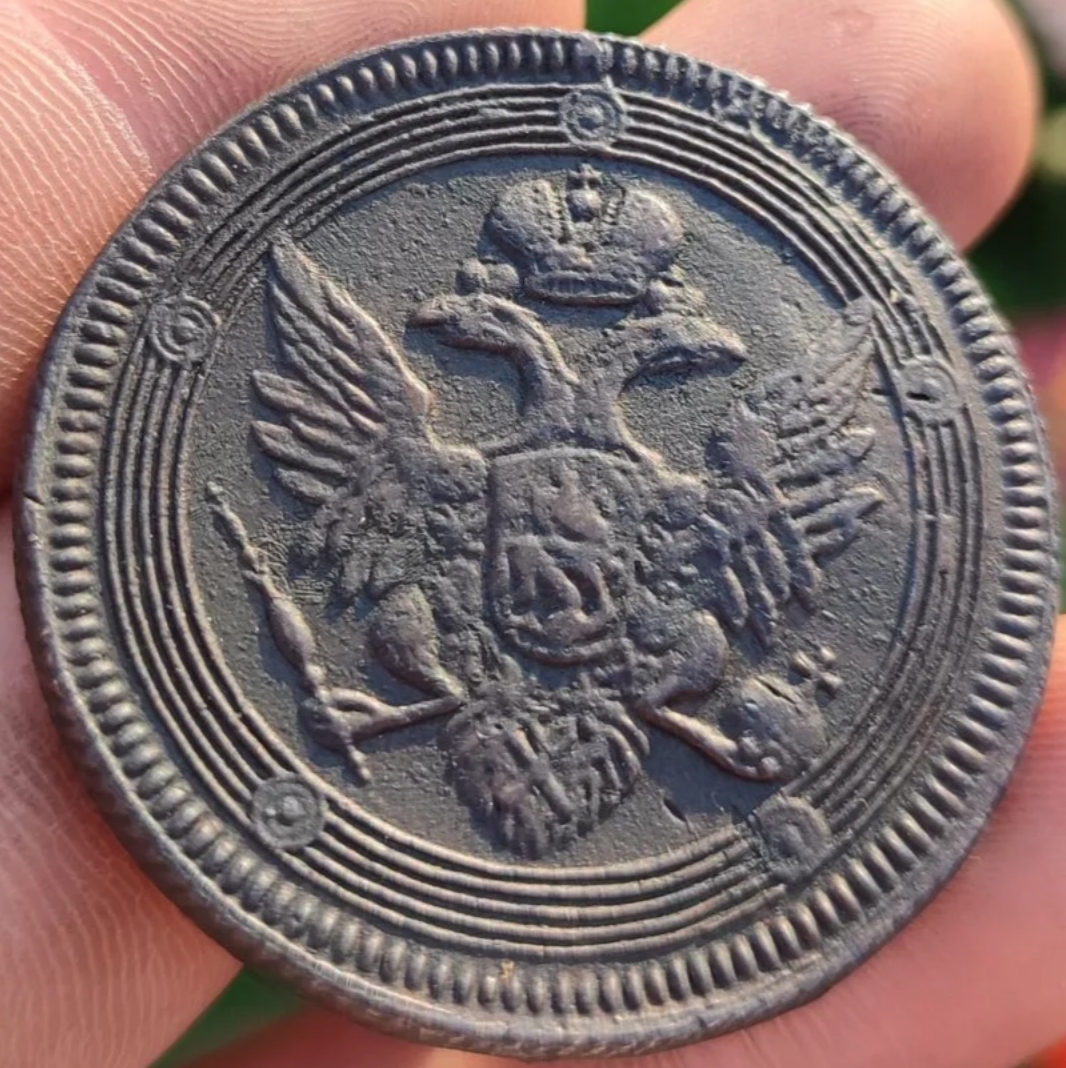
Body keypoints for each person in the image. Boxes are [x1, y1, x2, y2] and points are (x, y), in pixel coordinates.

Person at [0, 1, 1057, 1066]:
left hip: (599, 731)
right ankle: (452, 708)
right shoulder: (463, 467)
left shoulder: (676, 484)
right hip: (487, 720)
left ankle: (506, 716)